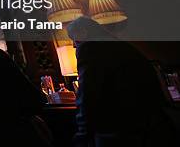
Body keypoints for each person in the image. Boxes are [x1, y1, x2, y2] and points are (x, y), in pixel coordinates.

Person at [67, 16, 178, 146]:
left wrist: (82, 134)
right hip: (153, 126)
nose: (74, 45)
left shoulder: (90, 47)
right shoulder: (121, 45)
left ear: (84, 31)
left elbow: (87, 95)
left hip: (121, 131)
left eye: (73, 38)